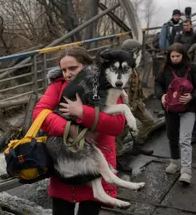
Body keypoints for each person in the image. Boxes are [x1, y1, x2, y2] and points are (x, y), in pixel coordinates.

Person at [33, 47, 126, 215]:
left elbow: (117, 125)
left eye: (73, 68)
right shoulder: (58, 85)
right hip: (65, 164)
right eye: (63, 70)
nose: (67, 73)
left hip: (95, 163)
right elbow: (39, 114)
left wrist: (83, 113)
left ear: (87, 66)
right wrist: (68, 128)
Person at [155, 43, 196, 184]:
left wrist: (192, 96)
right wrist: (161, 96)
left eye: (178, 56)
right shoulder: (164, 69)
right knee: (172, 136)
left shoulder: (194, 69)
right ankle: (175, 161)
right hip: (170, 108)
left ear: (183, 56)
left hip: (188, 108)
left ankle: (186, 170)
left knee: (185, 139)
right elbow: (158, 84)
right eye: (172, 56)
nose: (175, 59)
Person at [116, 39, 155, 172]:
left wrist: (140, 100)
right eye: (137, 52)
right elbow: (120, 91)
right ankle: (117, 157)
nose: (138, 54)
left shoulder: (132, 64)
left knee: (149, 121)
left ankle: (137, 145)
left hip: (135, 102)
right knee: (121, 132)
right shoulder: (121, 67)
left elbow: (136, 87)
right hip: (125, 106)